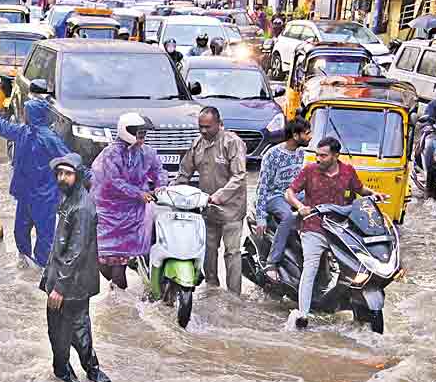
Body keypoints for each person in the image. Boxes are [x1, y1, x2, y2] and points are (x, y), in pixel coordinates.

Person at [283, 138, 388, 329]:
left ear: (335, 155)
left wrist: (374, 194)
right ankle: (303, 314)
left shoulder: (348, 171)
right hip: (313, 227)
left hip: (339, 230)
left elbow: (359, 189)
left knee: (355, 264)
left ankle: (348, 302)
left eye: (323, 155)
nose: (318, 159)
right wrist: (300, 206)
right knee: (310, 267)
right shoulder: (309, 170)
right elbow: (289, 192)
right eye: (317, 155)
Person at [43, 156, 110, 382]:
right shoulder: (69, 199)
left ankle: (74, 373)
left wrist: (60, 288)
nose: (62, 178)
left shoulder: (82, 207)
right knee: (68, 329)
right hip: (63, 279)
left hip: (72, 284)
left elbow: (76, 252)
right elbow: (60, 244)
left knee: (69, 330)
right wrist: (49, 277)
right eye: (60, 173)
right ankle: (80, 370)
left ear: (78, 176)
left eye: (68, 174)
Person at [0, 97, 72, 268]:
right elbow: (5, 128)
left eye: (26, 111)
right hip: (25, 193)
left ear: (33, 114)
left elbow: (68, 159)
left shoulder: (49, 138)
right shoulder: (23, 131)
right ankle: (24, 260)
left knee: (44, 234)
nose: (23, 114)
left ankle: (42, 267)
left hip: (45, 196)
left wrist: (87, 177)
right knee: (20, 230)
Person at [176, 106, 248, 295]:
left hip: (232, 209)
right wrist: (171, 192)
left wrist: (220, 195)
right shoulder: (197, 144)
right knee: (208, 250)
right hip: (207, 208)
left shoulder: (232, 142)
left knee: (232, 252)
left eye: (207, 127)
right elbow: (184, 173)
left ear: (219, 124)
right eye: (200, 126)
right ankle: (211, 290)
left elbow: (239, 176)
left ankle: (234, 296)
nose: (203, 131)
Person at [91, 113, 164, 289]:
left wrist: (160, 185)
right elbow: (114, 181)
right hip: (108, 213)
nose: (142, 139)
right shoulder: (111, 154)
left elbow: (158, 170)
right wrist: (139, 193)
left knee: (119, 268)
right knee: (102, 262)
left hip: (133, 214)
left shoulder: (147, 152)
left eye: (144, 135)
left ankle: (122, 297)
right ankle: (116, 294)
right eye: (139, 135)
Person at [256, 117, 312, 283]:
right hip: (274, 196)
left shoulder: (301, 153)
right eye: (307, 133)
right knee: (288, 216)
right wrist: (260, 217)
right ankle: (271, 263)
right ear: (295, 135)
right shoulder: (272, 155)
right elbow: (262, 186)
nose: (310, 137)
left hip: (293, 194)